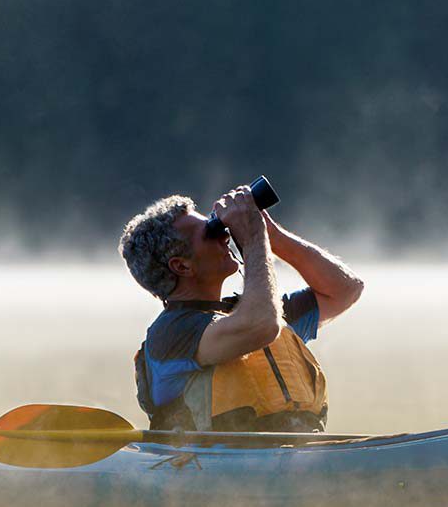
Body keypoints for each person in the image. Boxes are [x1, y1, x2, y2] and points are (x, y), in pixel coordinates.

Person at [118, 184, 364, 432]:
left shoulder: (253, 311)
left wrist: (272, 236)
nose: (225, 236)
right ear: (182, 266)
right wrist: (253, 239)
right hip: (219, 466)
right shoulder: (172, 332)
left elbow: (345, 290)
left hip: (291, 457)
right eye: (210, 234)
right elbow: (262, 325)